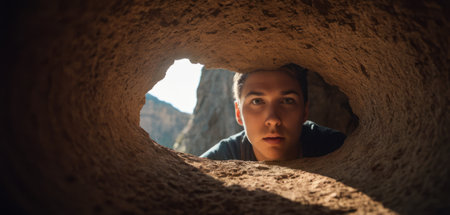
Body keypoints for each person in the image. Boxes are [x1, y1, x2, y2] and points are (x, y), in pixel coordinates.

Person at [200, 63, 346, 161]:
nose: (273, 119)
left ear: (305, 111)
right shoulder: (221, 158)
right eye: (257, 101)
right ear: (238, 113)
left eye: (287, 101)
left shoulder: (337, 149)